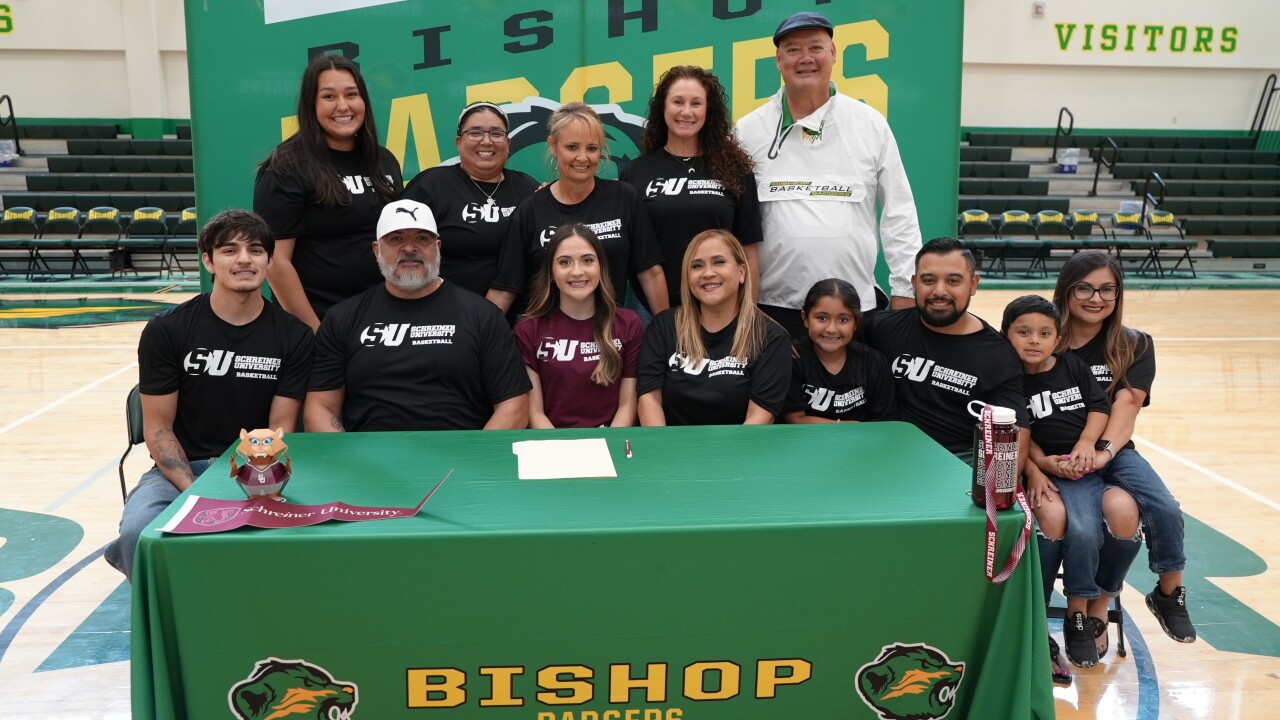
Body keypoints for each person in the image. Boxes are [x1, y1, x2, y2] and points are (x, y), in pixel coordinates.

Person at [104, 210, 314, 581]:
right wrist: (198, 492)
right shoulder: (167, 330)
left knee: (306, 535)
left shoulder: (294, 336)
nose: (244, 259)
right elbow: (158, 430)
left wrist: (254, 485)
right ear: (209, 261)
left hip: (257, 466)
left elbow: (278, 431)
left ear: (269, 261)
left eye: (255, 250)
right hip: (182, 470)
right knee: (139, 532)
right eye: (229, 250)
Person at [736, 11, 922, 338]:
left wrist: (906, 288)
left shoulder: (870, 123)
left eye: (816, 47)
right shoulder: (748, 130)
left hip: (853, 307)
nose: (805, 58)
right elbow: (731, 220)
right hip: (771, 309)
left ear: (834, 53)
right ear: (778, 61)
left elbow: (899, 211)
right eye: (793, 50)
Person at [1054, 251, 1197, 644]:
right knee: (1083, 526)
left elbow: (1128, 403)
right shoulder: (1046, 338)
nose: (1096, 298)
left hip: (1113, 450)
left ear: (1118, 294)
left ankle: (1168, 594)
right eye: (1084, 288)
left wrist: (1102, 452)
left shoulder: (1133, 344)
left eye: (1107, 289)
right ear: (1066, 290)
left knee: (1164, 506)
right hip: (1058, 455)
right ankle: (1078, 608)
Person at [1002, 295, 1143, 673]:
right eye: (1023, 332)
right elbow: (1018, 430)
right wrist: (1037, 467)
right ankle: (1039, 617)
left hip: (1082, 467)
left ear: (1058, 339)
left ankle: (1079, 612)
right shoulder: (1006, 376)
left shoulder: (1072, 367)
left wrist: (1087, 445)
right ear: (1006, 335)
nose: (1034, 340)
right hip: (1036, 468)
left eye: (1044, 333)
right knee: (1065, 522)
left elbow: (1100, 408)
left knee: (1095, 524)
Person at [306, 199, 530, 432]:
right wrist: (347, 453)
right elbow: (320, 408)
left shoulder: (483, 316)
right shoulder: (342, 318)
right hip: (369, 453)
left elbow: (514, 407)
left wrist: (472, 454)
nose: (409, 248)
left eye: (422, 238)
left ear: (438, 247)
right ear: (377, 250)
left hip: (459, 452)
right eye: (396, 239)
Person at [255, 53, 402, 331]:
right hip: (320, 324)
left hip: (383, 321)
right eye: (329, 96)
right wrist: (315, 331)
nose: (343, 106)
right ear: (311, 104)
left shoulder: (384, 161)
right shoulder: (285, 167)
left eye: (351, 94)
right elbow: (276, 262)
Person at [491, 102, 668, 317]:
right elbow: (505, 289)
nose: (582, 158)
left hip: (610, 332)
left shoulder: (624, 198)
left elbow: (650, 273)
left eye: (592, 148)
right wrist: (478, 333)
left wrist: (665, 328)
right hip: (547, 334)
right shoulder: (530, 210)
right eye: (572, 147)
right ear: (553, 146)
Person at [859, 237, 1028, 462]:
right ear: (914, 283)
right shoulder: (882, 328)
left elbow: (1017, 434)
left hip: (960, 460)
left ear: (973, 284)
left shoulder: (998, 355)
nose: (939, 291)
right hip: (890, 454)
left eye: (953, 281)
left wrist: (996, 484)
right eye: (928, 280)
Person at [620, 66, 763, 308]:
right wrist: (663, 320)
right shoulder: (635, 173)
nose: (686, 112)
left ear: (709, 110)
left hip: (721, 307)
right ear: (662, 107)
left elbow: (748, 250)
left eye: (696, 103)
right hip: (652, 308)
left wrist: (749, 313)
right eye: (678, 102)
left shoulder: (736, 171)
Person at [637, 229, 790, 426]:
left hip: (741, 444)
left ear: (742, 272)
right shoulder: (664, 326)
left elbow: (761, 417)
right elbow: (649, 399)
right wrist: (663, 444)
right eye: (697, 266)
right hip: (671, 444)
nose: (708, 273)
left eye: (719, 262)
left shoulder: (770, 336)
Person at [402, 101, 539, 302]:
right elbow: (402, 251)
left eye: (496, 133)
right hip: (445, 309)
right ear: (459, 142)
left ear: (508, 143)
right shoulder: (431, 185)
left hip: (521, 312)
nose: (486, 141)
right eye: (475, 133)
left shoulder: (527, 188)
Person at [515, 224, 644, 428]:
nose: (577, 271)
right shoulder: (528, 331)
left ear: (600, 267)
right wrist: (561, 447)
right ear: (551, 272)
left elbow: (627, 406)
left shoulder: (629, 324)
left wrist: (607, 443)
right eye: (564, 262)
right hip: (552, 442)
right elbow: (534, 412)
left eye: (587, 260)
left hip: (611, 440)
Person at [784, 278, 895, 423]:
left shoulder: (874, 364)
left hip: (860, 438)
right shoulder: (792, 357)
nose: (831, 329)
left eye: (843, 320)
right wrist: (845, 426)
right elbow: (794, 419)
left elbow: (883, 424)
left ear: (856, 322)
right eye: (822, 318)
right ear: (805, 318)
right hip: (807, 438)